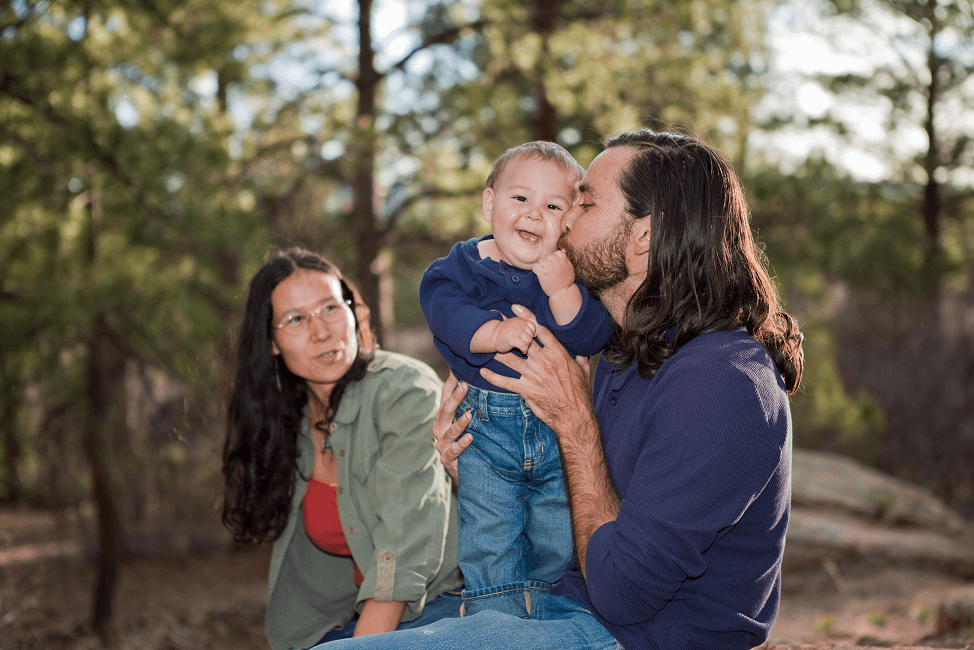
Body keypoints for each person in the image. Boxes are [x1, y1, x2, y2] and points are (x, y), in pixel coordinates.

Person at [313, 129, 804, 650]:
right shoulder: (624, 348)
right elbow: (576, 505)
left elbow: (623, 595)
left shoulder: (723, 382)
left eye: (584, 202)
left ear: (643, 236)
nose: (562, 219)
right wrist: (478, 465)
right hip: (556, 603)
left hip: (631, 637)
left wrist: (574, 424)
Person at [221, 248, 464, 650]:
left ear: (352, 311)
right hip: (346, 624)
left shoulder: (405, 392)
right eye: (296, 319)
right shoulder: (288, 424)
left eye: (330, 308)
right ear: (271, 343)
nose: (322, 331)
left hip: (441, 610)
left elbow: (401, 562)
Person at [419, 142, 614, 617]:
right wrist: (495, 333)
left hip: (554, 430)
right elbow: (444, 312)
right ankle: (495, 617)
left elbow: (592, 335)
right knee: (490, 533)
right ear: (490, 203)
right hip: (485, 429)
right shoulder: (461, 268)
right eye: (520, 199)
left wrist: (562, 289)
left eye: (552, 207)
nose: (534, 215)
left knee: (556, 530)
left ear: (568, 224)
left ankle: (547, 613)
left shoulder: (564, 276)